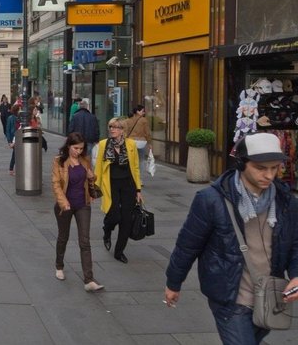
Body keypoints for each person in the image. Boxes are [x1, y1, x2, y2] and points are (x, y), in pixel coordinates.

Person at [165, 133, 298, 343]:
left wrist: (296, 274)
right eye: (261, 168)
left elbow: (295, 244)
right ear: (241, 164)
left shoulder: (285, 201)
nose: (269, 175)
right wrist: (174, 282)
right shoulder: (212, 200)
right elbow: (188, 245)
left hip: (269, 296)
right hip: (230, 297)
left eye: (274, 168)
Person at [51, 133, 104, 292]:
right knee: (63, 237)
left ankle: (89, 280)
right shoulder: (59, 162)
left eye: (81, 148)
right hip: (65, 205)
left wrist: (92, 176)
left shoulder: (84, 160)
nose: (78, 151)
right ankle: (59, 265)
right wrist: (63, 202)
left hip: (83, 204)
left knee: (85, 241)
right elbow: (55, 184)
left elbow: (91, 180)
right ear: (68, 146)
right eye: (75, 148)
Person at [93, 118, 142, 264]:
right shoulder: (103, 144)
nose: (112, 129)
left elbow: (136, 168)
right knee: (114, 215)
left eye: (115, 127)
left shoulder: (131, 144)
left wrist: (138, 189)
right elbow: (99, 168)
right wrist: (95, 187)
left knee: (126, 220)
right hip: (111, 184)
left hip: (128, 185)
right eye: (110, 127)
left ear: (122, 130)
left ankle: (119, 251)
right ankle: (107, 230)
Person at [6, 104, 20, 176]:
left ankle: (11, 169)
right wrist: (9, 141)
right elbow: (8, 130)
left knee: (15, 154)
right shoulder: (11, 118)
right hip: (14, 138)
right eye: (19, 109)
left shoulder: (18, 118)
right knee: (15, 154)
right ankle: (11, 169)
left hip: (17, 138)